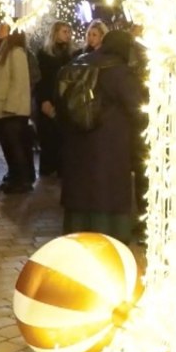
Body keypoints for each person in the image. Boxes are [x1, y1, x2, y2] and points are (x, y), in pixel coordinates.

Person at [60, 30, 143, 243]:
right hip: (110, 148)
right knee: (107, 202)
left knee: (80, 204)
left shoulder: (76, 64)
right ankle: (108, 244)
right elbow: (139, 109)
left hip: (76, 147)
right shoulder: (120, 72)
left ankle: (78, 240)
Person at [0, 30, 35, 194]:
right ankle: (16, 176)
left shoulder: (16, 53)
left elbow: (19, 81)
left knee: (15, 146)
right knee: (10, 146)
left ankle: (21, 180)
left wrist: (11, 106)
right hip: (4, 108)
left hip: (11, 110)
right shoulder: (5, 50)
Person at [35, 21, 75, 178]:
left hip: (64, 101)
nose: (68, 35)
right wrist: (43, 99)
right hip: (49, 98)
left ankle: (61, 168)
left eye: (68, 32)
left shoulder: (70, 55)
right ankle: (47, 168)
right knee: (48, 136)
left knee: (62, 136)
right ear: (55, 33)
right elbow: (41, 80)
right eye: (64, 31)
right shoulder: (44, 54)